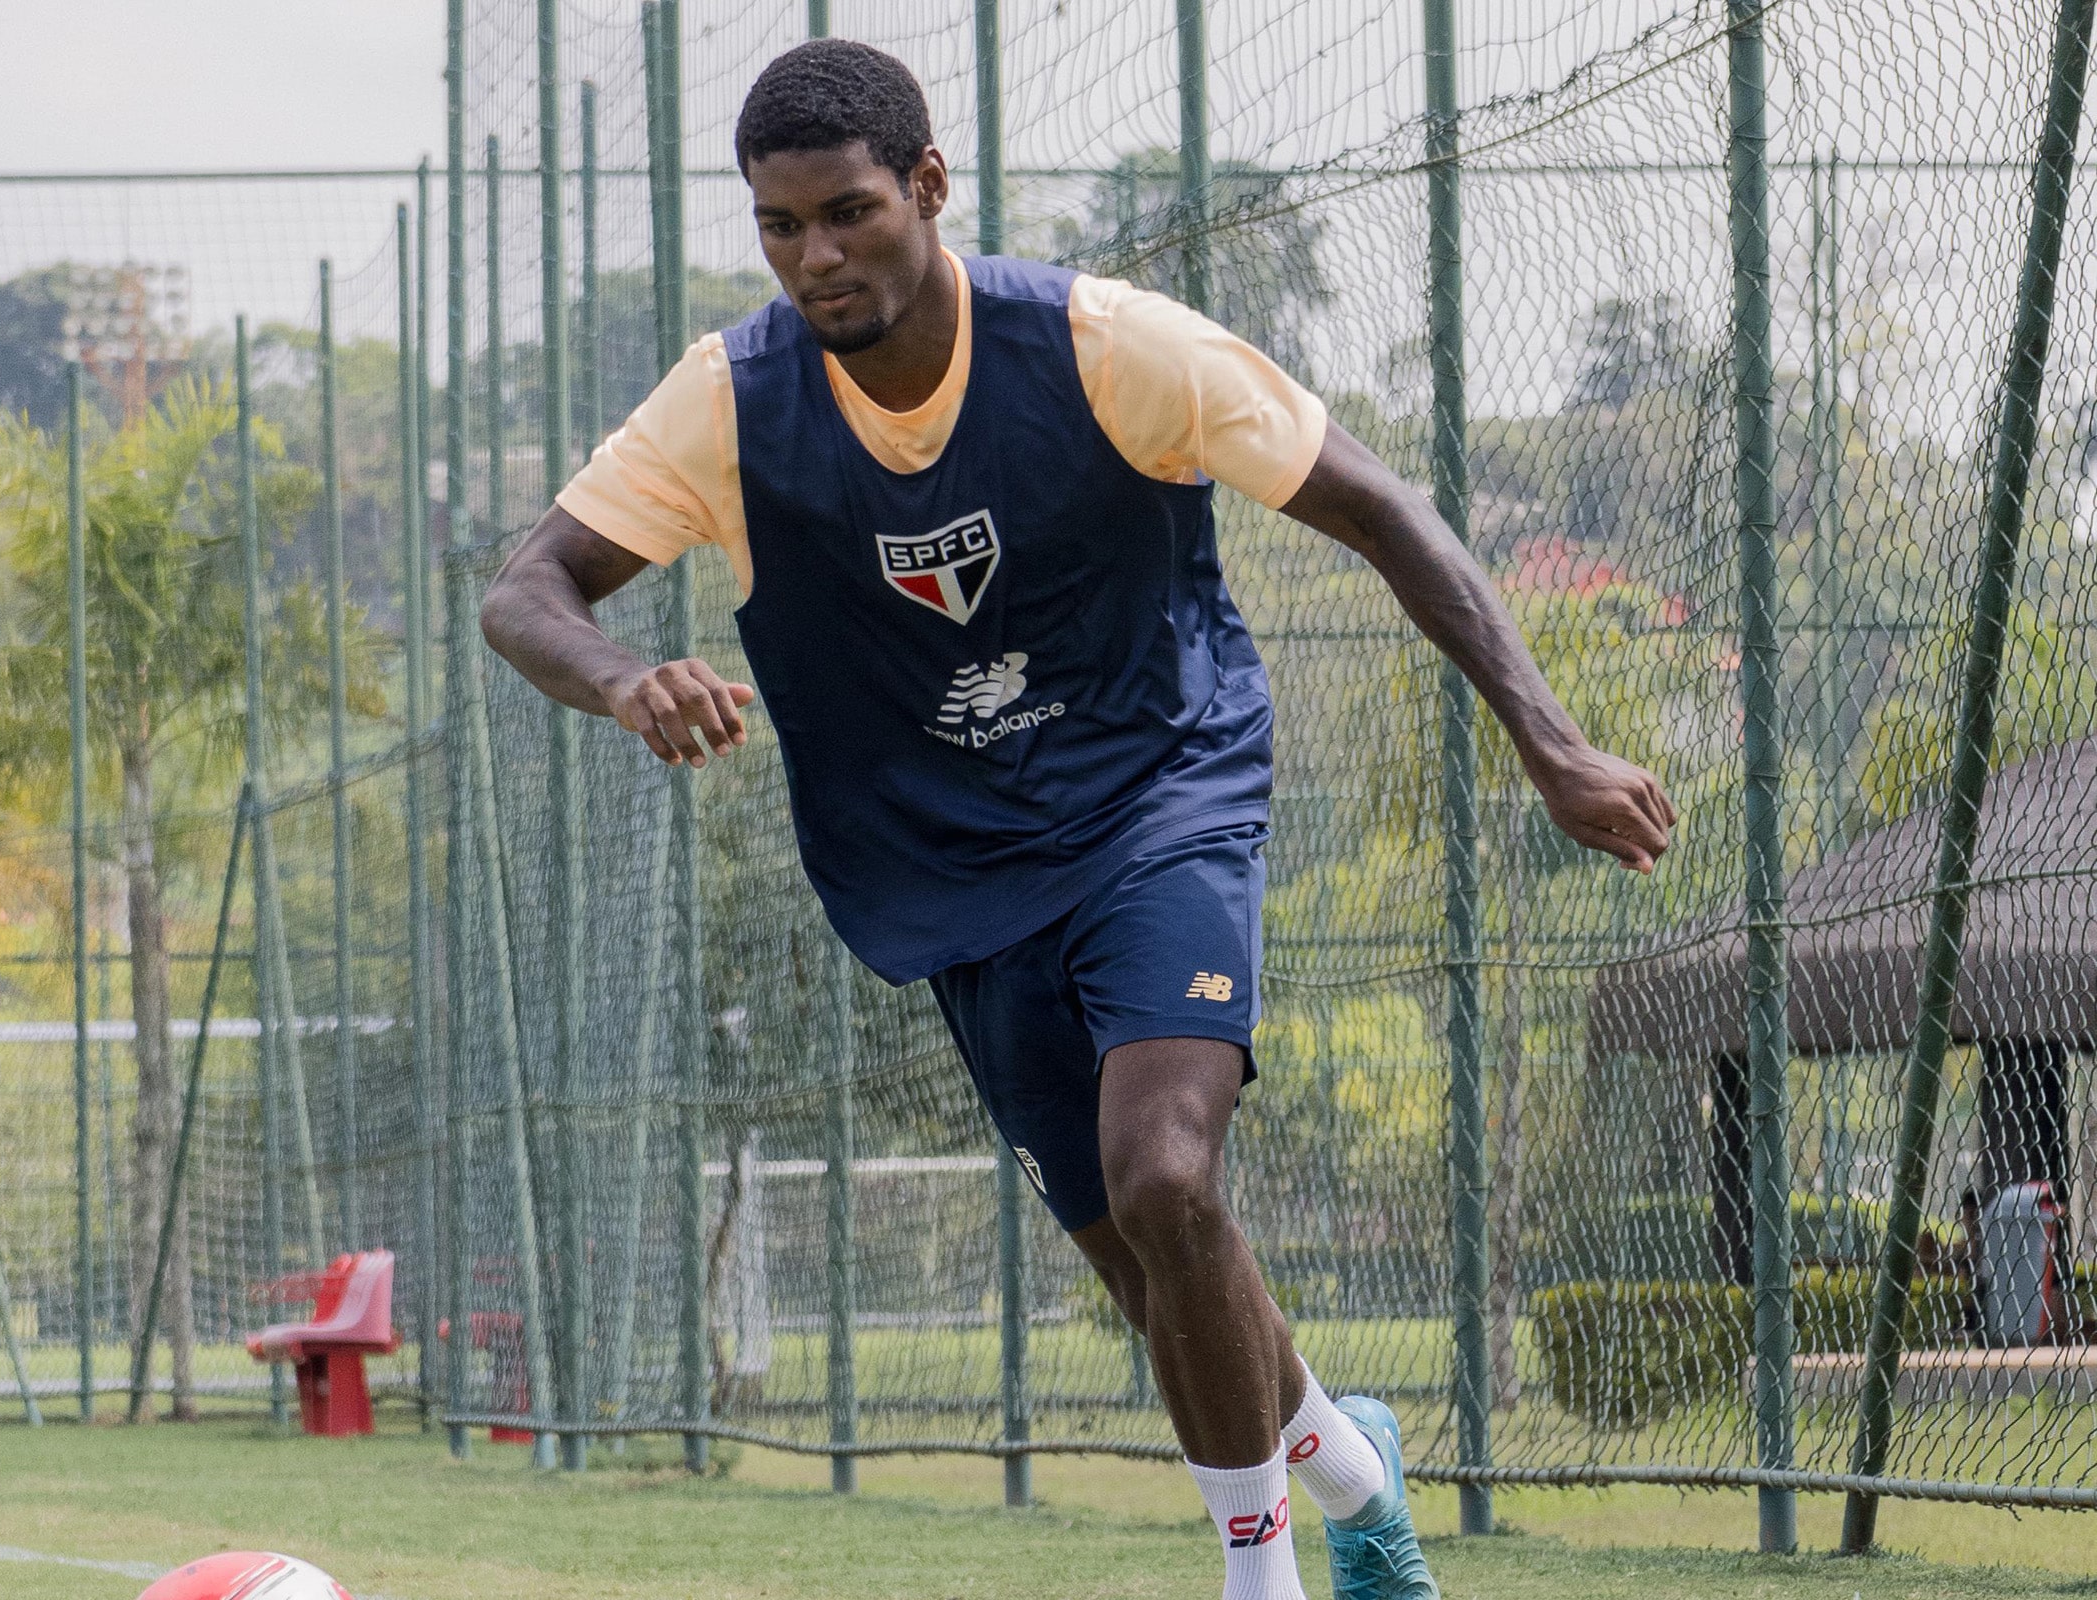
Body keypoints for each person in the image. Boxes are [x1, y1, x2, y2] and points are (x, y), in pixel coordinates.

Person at [480, 39, 1675, 1600]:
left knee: (1167, 1177)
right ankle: (1358, 1472)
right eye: (779, 227)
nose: (814, 257)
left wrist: (1556, 746)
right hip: (948, 865)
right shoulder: (733, 403)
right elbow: (526, 588)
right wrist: (626, 679)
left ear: (928, 188)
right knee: (1149, 1260)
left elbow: (1382, 506)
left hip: (1157, 795)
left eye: (847, 214)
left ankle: (1263, 1580)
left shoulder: (1111, 347)